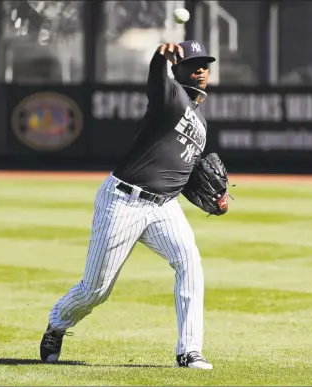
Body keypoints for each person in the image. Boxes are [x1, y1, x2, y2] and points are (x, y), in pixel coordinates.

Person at [40, 40, 216, 370]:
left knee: (190, 263)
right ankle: (57, 324)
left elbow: (185, 171)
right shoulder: (171, 96)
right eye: (194, 64)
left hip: (164, 207)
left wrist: (214, 197)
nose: (202, 69)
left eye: (205, 64)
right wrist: (158, 58)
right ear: (178, 70)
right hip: (124, 199)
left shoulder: (202, 124)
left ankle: (189, 351)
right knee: (96, 289)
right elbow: (157, 78)